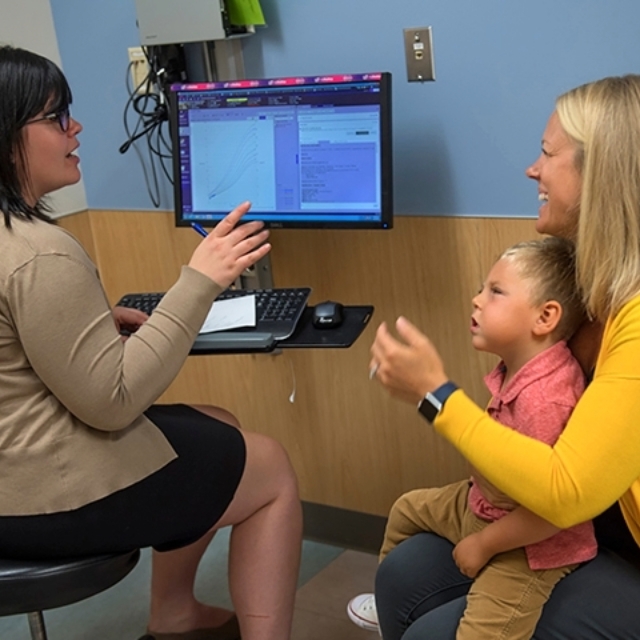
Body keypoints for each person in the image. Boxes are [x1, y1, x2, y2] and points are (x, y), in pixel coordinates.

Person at [0, 45, 302, 640]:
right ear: (9, 135)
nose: (76, 128)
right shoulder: (38, 252)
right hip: (40, 498)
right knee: (269, 470)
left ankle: (174, 613)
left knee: (218, 422)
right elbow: (113, 401)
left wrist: (88, 326)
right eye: (58, 116)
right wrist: (200, 282)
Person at [367, 74, 640, 639]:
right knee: (404, 573)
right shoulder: (581, 277)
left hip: (605, 535)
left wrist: (435, 396)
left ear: (601, 176)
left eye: (546, 155)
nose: (532, 170)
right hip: (575, 520)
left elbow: (566, 491)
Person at [348, 237, 596, 639]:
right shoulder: (515, 368)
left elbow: (553, 513)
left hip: (531, 547)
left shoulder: (547, 400)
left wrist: (484, 545)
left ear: (545, 317)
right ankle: (388, 604)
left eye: (495, 292)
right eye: (482, 288)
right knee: (407, 509)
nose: (477, 300)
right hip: (481, 505)